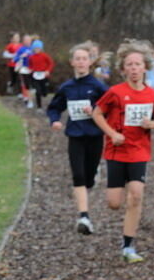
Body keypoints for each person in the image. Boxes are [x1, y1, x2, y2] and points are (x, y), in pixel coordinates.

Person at [91, 39, 154, 263]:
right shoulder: (115, 92)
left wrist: (152, 125)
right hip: (116, 152)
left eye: (138, 64)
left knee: (135, 196)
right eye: (129, 65)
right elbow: (97, 114)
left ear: (145, 67)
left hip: (139, 152)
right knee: (114, 203)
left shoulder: (153, 95)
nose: (134, 69)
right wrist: (112, 134)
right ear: (123, 69)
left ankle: (128, 247)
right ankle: (123, 217)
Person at [46, 44, 109, 235]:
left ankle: (94, 172)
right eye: (78, 59)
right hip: (75, 136)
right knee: (78, 176)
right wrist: (55, 121)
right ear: (72, 62)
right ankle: (84, 216)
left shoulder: (98, 87)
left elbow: (112, 108)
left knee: (88, 177)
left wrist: (96, 111)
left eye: (84, 59)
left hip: (94, 135)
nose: (81, 62)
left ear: (90, 62)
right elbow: (54, 107)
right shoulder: (67, 87)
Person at [27, 39, 54, 110]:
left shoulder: (45, 56)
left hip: (44, 75)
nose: (37, 50)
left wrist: (48, 70)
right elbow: (30, 65)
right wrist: (30, 69)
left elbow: (51, 63)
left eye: (38, 48)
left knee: (44, 93)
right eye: (35, 48)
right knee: (37, 91)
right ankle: (39, 106)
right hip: (35, 76)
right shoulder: (31, 57)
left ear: (41, 48)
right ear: (33, 49)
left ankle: (44, 92)